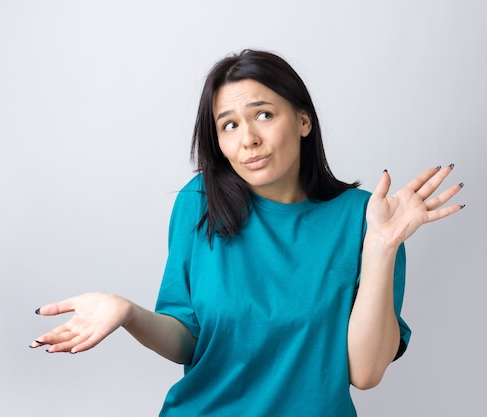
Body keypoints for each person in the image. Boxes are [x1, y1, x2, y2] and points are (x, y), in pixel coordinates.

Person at [29, 49, 464, 416]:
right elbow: (188, 340)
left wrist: (383, 246)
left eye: (263, 115)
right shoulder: (199, 202)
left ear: (303, 121)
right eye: (229, 125)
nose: (248, 139)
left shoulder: (367, 218)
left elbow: (365, 374)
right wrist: (127, 312)